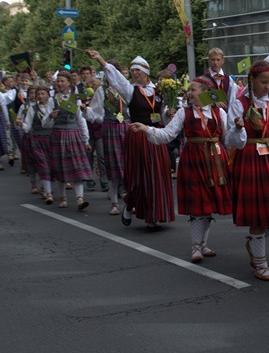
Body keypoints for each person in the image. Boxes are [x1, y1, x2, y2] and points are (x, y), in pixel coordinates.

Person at [130, 76, 232, 263]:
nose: (189, 93)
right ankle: (195, 247)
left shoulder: (220, 113)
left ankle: (203, 244)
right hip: (193, 160)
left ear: (205, 92)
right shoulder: (184, 113)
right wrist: (146, 129)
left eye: (193, 89)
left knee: (208, 204)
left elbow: (230, 137)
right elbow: (167, 134)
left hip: (216, 160)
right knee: (197, 205)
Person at [86, 50, 175, 229]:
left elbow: (163, 115)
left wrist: (169, 114)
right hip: (138, 137)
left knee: (156, 175)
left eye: (139, 70)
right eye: (133, 71)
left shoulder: (160, 90)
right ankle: (130, 203)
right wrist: (101, 60)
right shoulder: (130, 90)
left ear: (146, 72)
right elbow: (117, 77)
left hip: (155, 135)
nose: (135, 73)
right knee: (138, 175)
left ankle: (153, 215)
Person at [229, 61, 269, 280]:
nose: (268, 87)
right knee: (258, 215)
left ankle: (255, 244)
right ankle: (261, 265)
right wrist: (238, 129)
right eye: (263, 83)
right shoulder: (240, 104)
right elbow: (232, 141)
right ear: (252, 81)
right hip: (249, 159)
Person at [41, 71, 94, 210]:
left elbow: (80, 120)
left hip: (73, 134)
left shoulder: (75, 98)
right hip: (58, 135)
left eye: (62, 81)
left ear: (69, 83)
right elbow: (44, 124)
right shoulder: (53, 100)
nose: (59, 83)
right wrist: (50, 117)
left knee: (77, 166)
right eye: (58, 81)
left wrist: (86, 140)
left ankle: (80, 198)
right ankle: (63, 197)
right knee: (60, 167)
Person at [87, 62, 129, 216]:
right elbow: (96, 113)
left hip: (126, 128)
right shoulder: (101, 90)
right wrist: (88, 112)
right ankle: (114, 203)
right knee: (112, 166)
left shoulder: (126, 89)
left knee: (128, 164)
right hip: (110, 129)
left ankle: (129, 198)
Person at [23, 85, 53, 203]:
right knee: (43, 165)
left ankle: (45, 187)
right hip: (37, 139)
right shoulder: (32, 109)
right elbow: (27, 126)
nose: (40, 96)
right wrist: (21, 125)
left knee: (51, 166)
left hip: (51, 139)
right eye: (38, 95)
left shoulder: (53, 107)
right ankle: (48, 193)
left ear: (48, 95)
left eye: (42, 94)